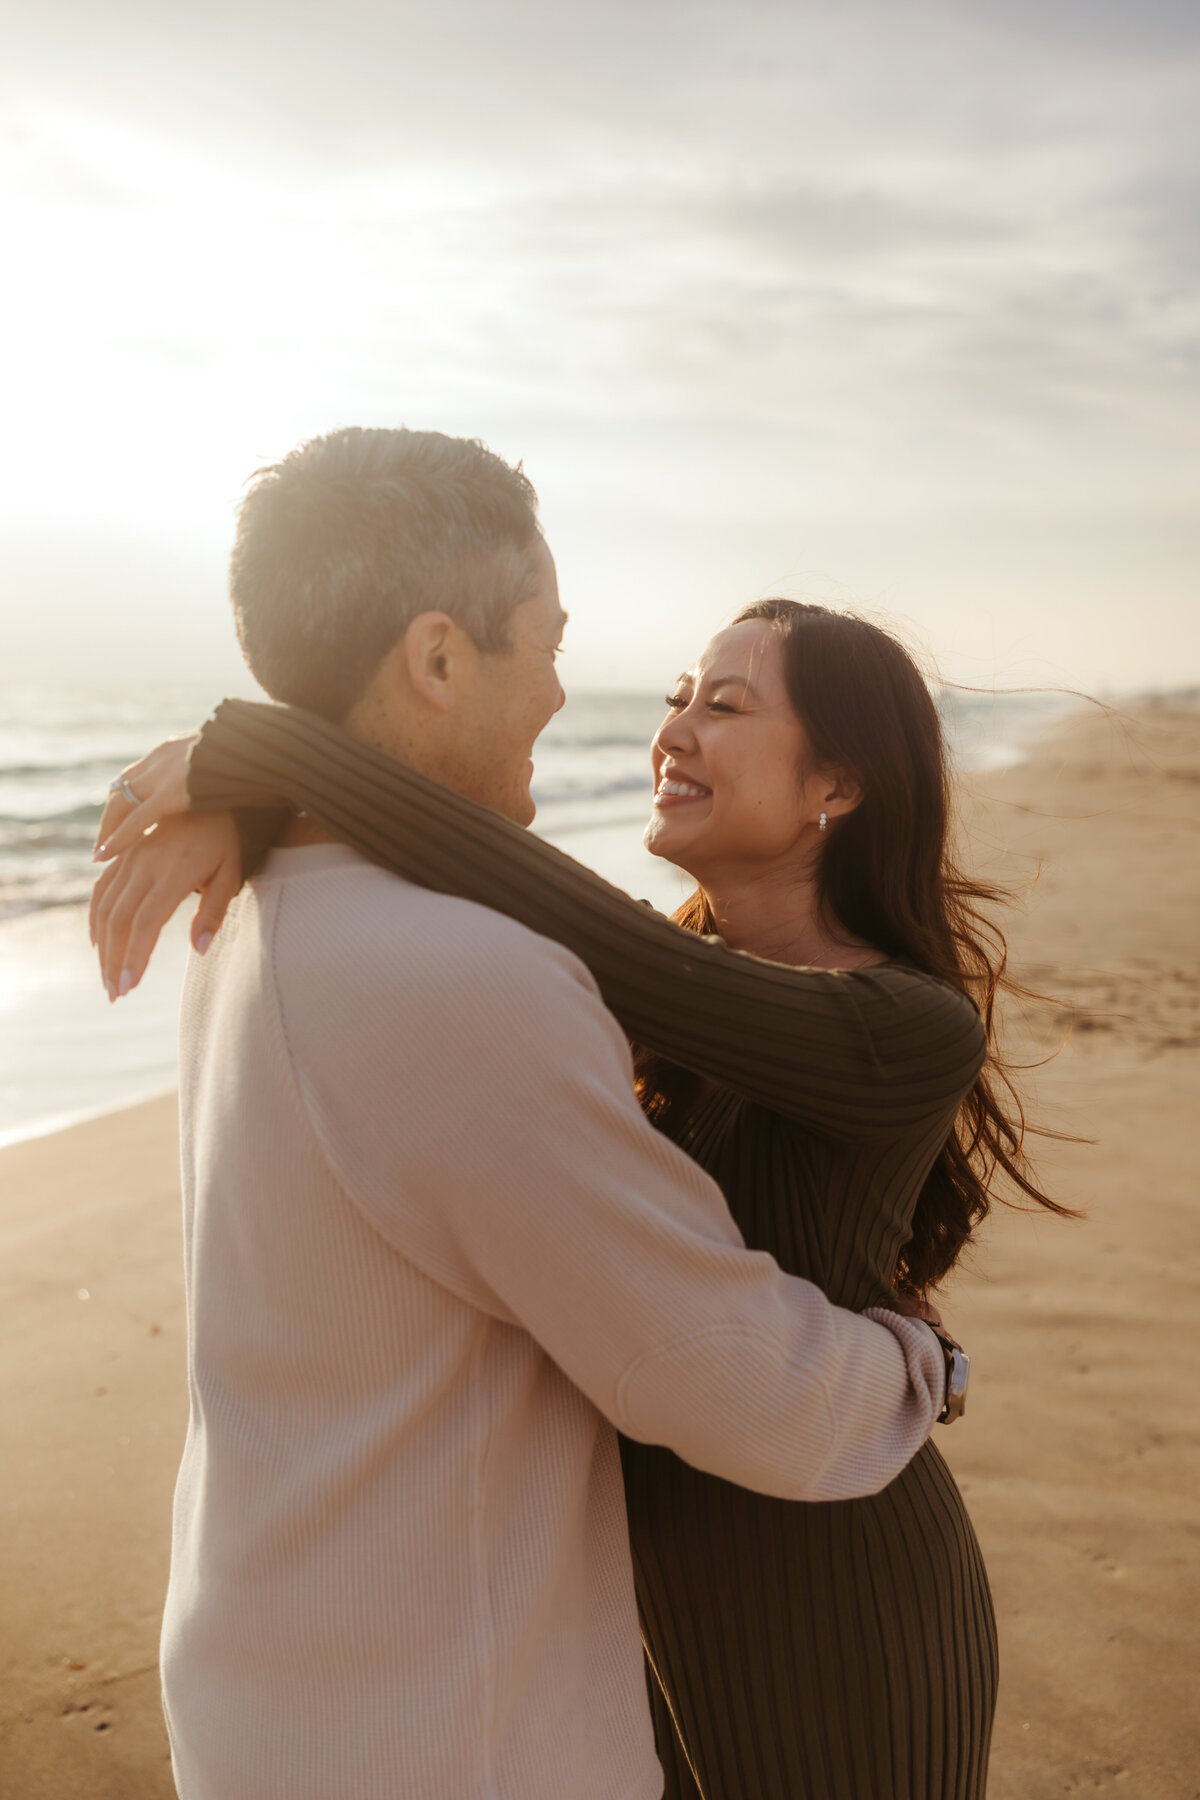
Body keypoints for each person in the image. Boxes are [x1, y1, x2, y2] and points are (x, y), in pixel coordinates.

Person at [93, 427, 987, 1800]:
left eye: (726, 706)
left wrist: (277, 761)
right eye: (554, 644)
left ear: (839, 786)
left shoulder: (275, 930)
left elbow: (570, 930)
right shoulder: (515, 976)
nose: (618, 709)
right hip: (582, 1650)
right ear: (442, 659)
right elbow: (572, 937)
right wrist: (272, 778)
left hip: (828, 1592)